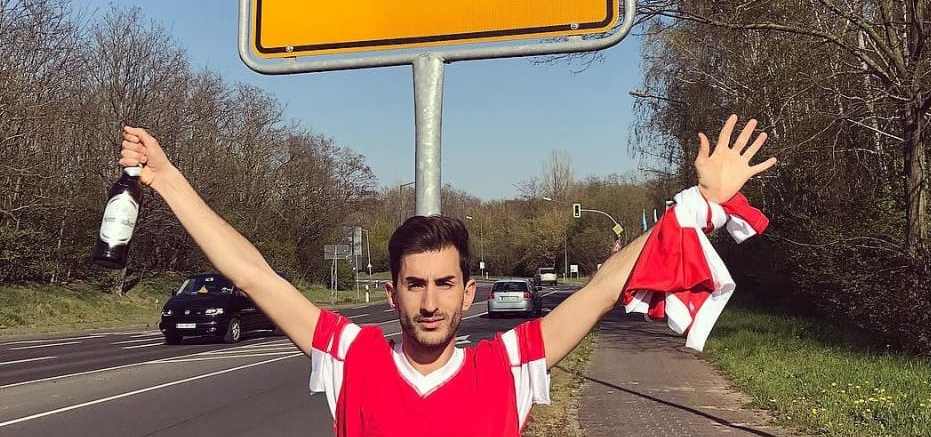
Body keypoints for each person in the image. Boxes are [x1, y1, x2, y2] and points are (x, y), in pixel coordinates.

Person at [118, 114, 775, 436]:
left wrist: (699, 207)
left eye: (442, 285)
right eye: (413, 285)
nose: (428, 303)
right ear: (392, 294)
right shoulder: (355, 356)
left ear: (469, 293)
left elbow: (606, 284)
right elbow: (255, 276)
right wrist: (169, 181)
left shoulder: (509, 365)